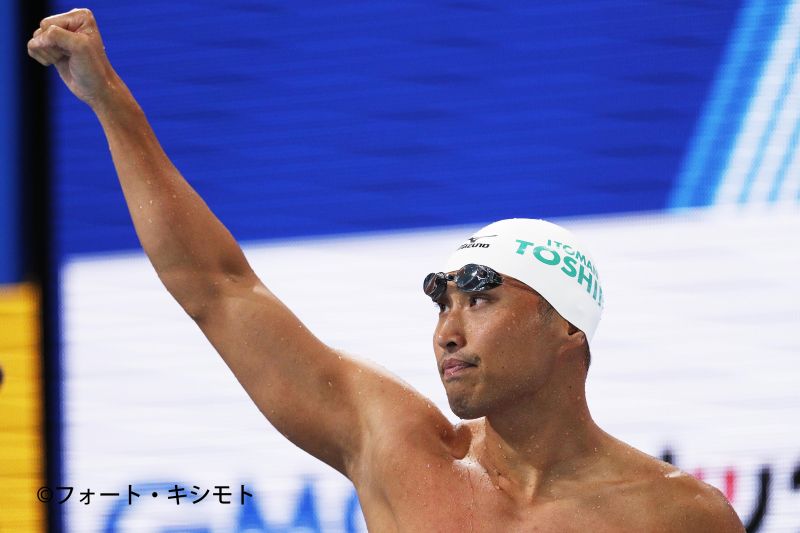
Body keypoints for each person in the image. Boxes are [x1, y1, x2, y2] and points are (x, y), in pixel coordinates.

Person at [29, 9, 745, 532]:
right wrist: (109, 101)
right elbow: (218, 289)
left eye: (480, 299)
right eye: (442, 304)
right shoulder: (401, 452)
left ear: (565, 326)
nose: (447, 331)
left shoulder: (677, 516)